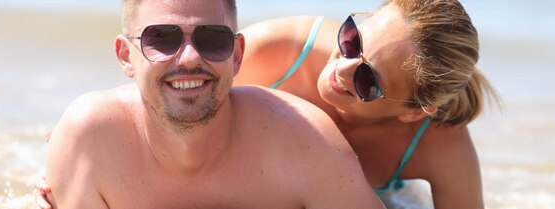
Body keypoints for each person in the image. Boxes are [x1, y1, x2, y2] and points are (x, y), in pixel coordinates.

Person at [41, 0, 385, 208]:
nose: (189, 57)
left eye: (212, 38)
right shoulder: (89, 145)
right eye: (161, 38)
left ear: (236, 56)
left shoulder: (308, 143)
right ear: (125, 56)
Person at [236, 0, 497, 208]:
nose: (342, 67)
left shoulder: (439, 144)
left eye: (367, 78)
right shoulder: (279, 50)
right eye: (353, 40)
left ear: (415, 112)